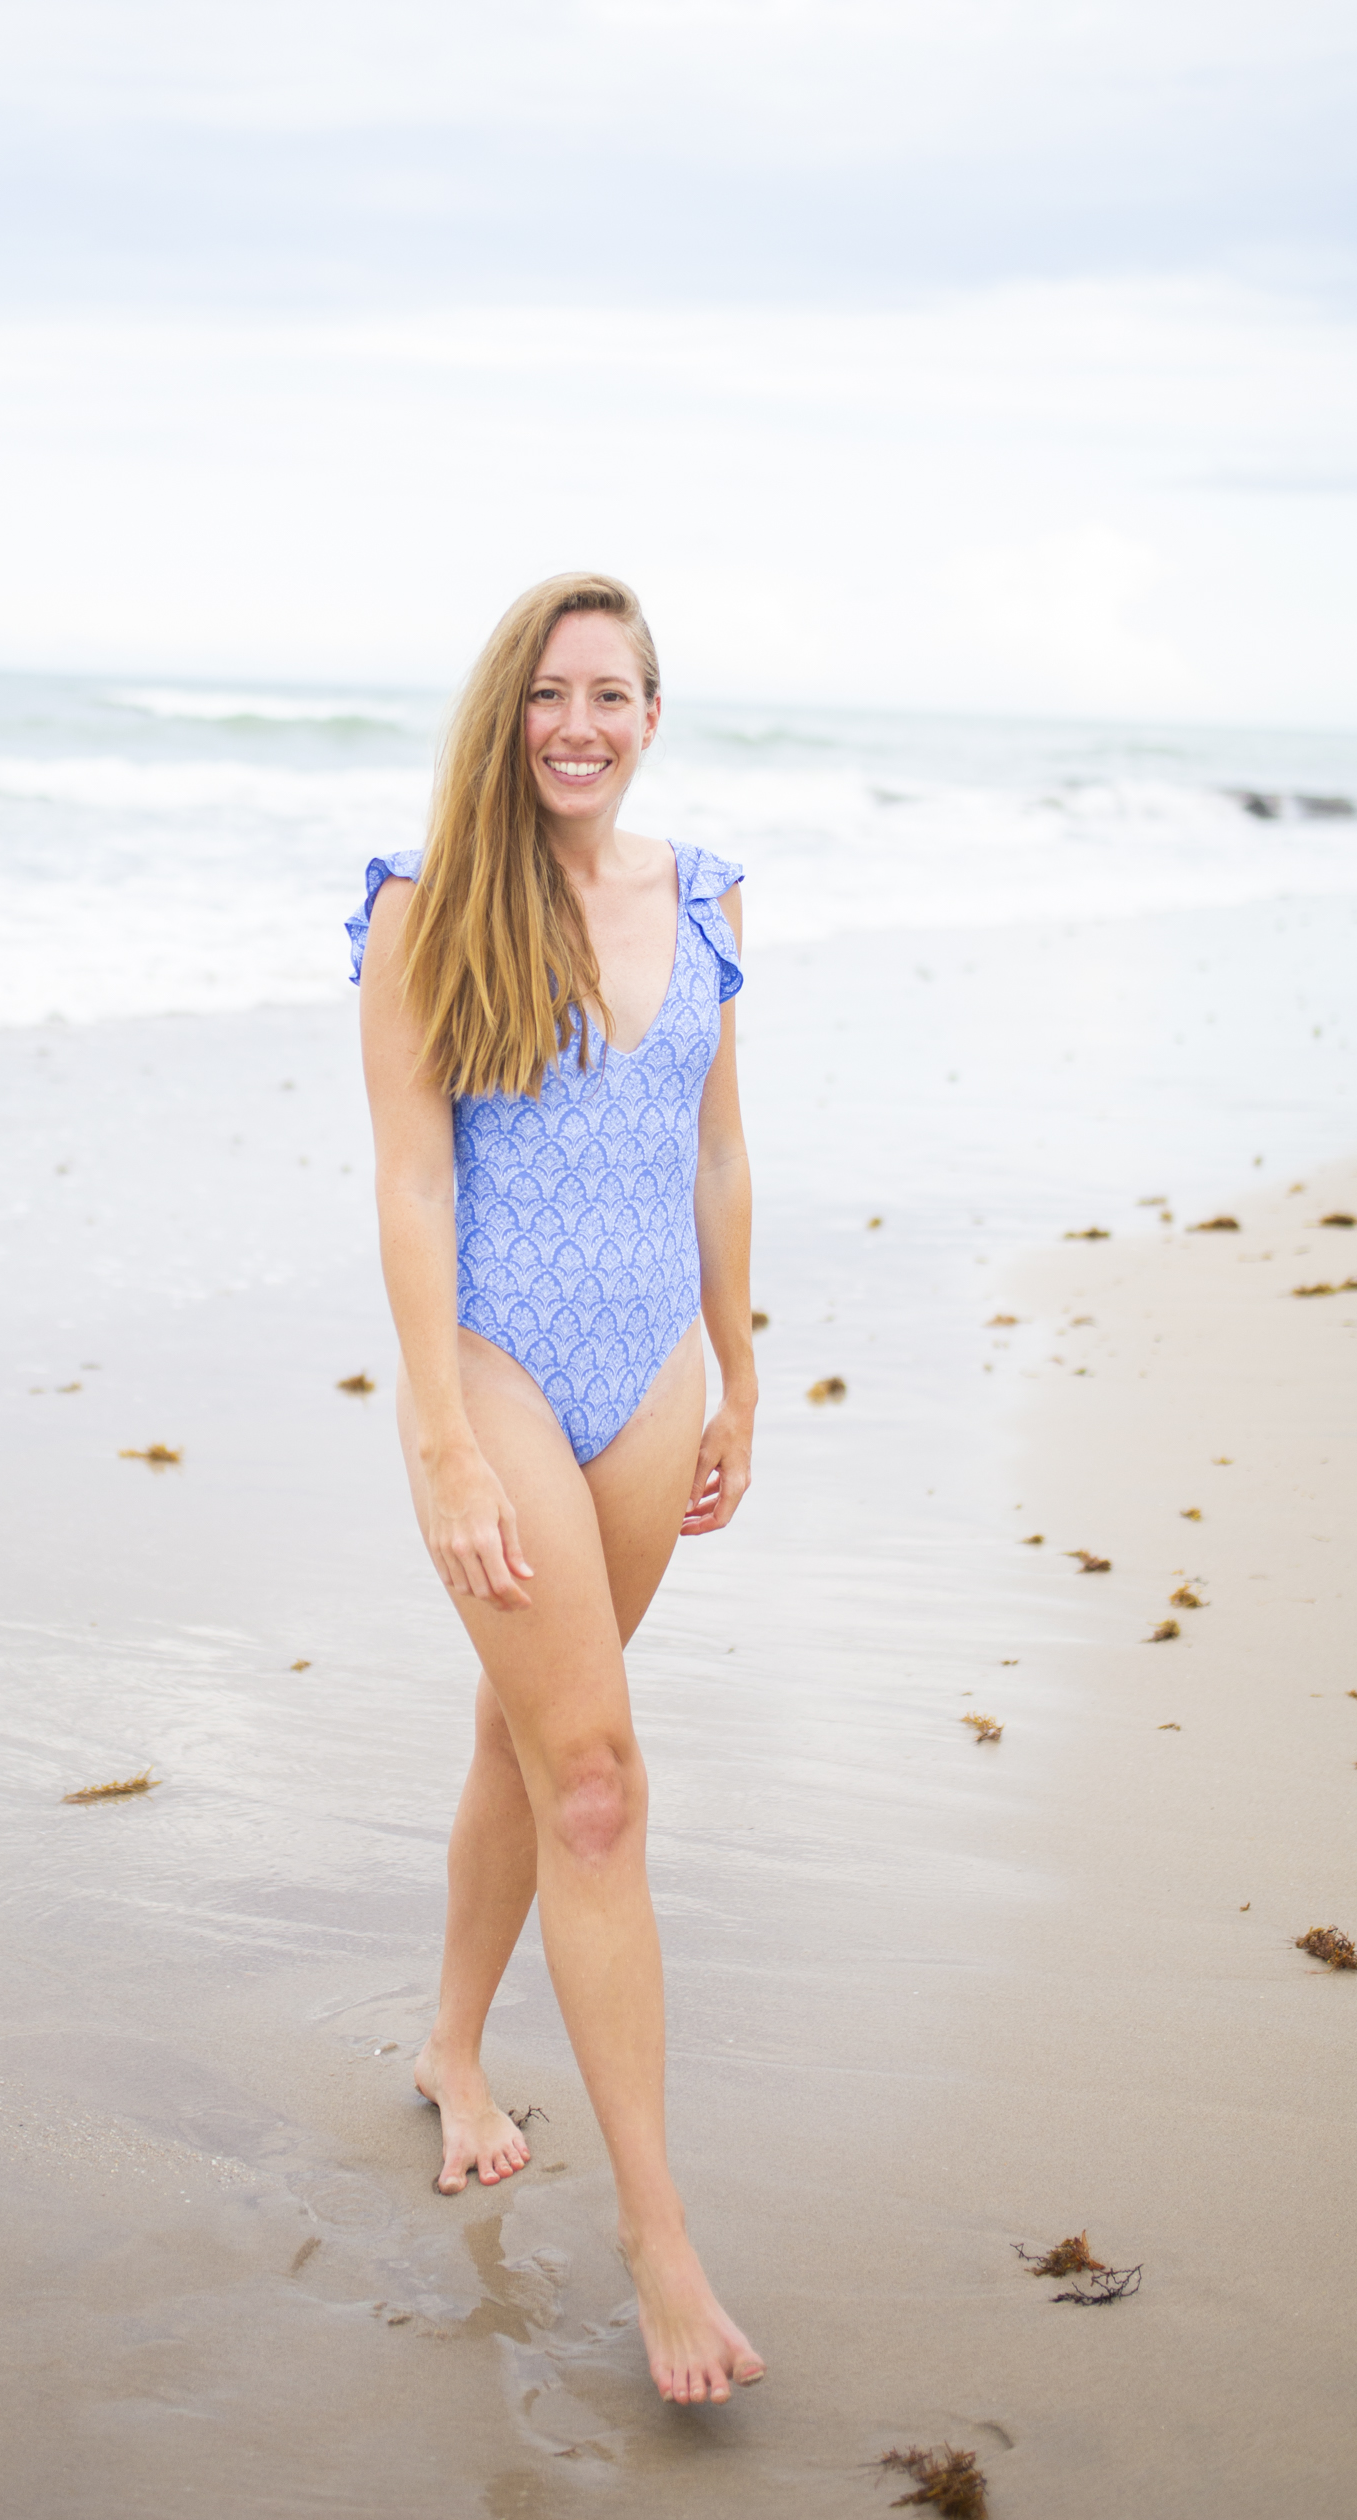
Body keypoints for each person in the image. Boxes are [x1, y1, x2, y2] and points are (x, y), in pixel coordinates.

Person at [348, 570, 765, 2408]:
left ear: (653, 715)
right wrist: (438, 1433)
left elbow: (719, 1143)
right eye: (550, 692)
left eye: (614, 694)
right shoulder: (427, 909)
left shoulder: (715, 896)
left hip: (652, 1377)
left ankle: (453, 2047)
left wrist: (744, 1365)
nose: (580, 724)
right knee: (595, 1782)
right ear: (505, 713)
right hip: (503, 1368)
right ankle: (661, 2243)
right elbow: (416, 1184)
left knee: (534, 1740)